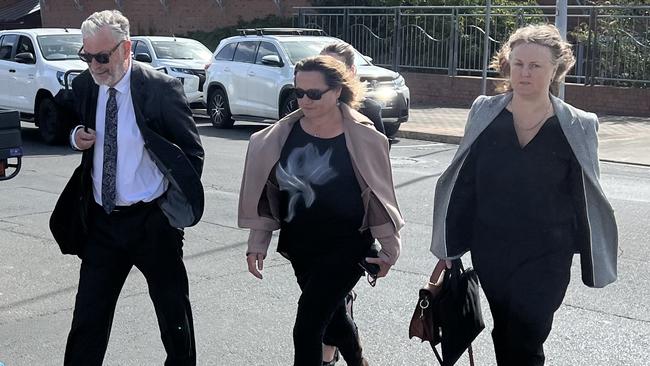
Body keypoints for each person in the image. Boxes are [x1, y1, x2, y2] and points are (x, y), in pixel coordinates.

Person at [429, 24, 618, 366]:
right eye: (518, 64)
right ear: (508, 64)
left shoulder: (579, 124)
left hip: (548, 254)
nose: (525, 72)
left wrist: (593, 251)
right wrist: (449, 247)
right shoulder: (485, 112)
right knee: (505, 331)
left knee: (528, 333)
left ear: (555, 71)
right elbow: (465, 182)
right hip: (492, 248)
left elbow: (586, 194)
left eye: (535, 66)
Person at [49, 10, 204, 366]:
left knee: (174, 317)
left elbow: (191, 153)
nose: (95, 65)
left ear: (126, 48)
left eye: (102, 57)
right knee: (87, 319)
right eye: (87, 56)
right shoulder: (86, 85)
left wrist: (171, 210)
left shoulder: (160, 89)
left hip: (153, 221)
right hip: (102, 224)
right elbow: (58, 116)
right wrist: (74, 135)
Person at [239, 55, 404, 366]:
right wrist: (256, 242)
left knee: (308, 325)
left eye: (314, 93)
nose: (305, 100)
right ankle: (359, 362)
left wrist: (390, 250)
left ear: (338, 91)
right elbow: (268, 193)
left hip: (348, 244)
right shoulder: (280, 136)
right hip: (300, 244)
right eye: (299, 92)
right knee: (335, 319)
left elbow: (382, 196)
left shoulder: (364, 137)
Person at [320, 42, 386, 137]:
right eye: (321, 67)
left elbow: (379, 149)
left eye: (334, 69)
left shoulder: (369, 110)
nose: (326, 74)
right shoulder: (304, 104)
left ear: (352, 71)